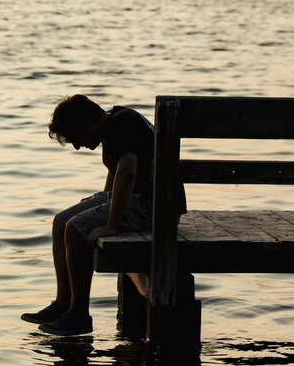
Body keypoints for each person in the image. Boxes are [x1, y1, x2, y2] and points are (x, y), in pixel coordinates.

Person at [21, 95, 186, 336]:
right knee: (61, 221)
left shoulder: (123, 124)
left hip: (155, 206)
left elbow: (127, 173)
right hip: (141, 200)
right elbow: (115, 174)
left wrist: (111, 224)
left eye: (76, 137)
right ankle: (63, 304)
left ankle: (79, 315)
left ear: (89, 123)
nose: (77, 145)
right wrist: (101, 204)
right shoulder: (114, 125)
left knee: (75, 228)